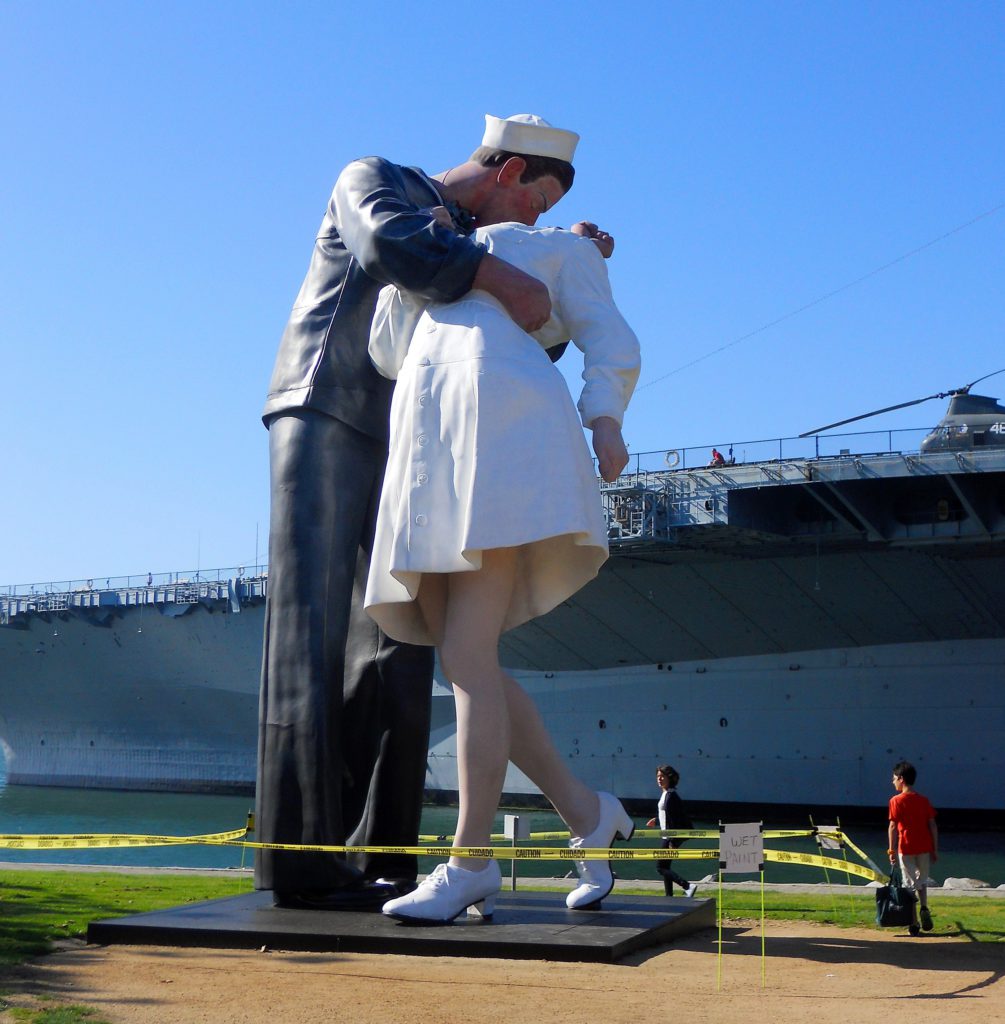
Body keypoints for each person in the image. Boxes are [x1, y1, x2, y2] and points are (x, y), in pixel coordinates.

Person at [256, 113, 611, 911]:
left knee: (400, 650)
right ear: (508, 172)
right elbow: (389, 246)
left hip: (419, 433)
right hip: (323, 403)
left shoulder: (485, 246)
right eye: (533, 204)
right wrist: (502, 271)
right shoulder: (373, 175)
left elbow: (515, 338)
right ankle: (300, 858)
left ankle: (382, 855)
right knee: (308, 626)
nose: (528, 222)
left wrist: (551, 265)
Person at [364, 191, 641, 923]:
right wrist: (430, 257)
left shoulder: (560, 247)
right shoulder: (438, 246)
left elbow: (607, 337)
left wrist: (604, 419)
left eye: (536, 186)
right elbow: (387, 353)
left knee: (466, 654)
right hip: (427, 440)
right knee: (464, 660)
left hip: (504, 428)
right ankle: (588, 814)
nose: (519, 195)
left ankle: (470, 860)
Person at [888, 760, 938, 933]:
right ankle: (924, 907)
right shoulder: (924, 800)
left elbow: (893, 826)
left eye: (894, 778)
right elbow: (932, 825)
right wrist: (934, 848)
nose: (892, 781)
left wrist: (891, 849)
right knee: (922, 881)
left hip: (906, 847)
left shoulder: (896, 801)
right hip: (924, 846)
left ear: (901, 779)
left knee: (909, 885)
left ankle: (914, 922)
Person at [645, 764, 697, 898]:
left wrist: (673, 841)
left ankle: (687, 886)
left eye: (662, 776)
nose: (659, 779)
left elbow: (676, 819)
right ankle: (669, 895)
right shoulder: (666, 794)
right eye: (658, 776)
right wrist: (656, 820)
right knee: (665, 867)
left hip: (669, 836)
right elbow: (667, 815)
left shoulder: (671, 796)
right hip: (666, 835)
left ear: (670, 778)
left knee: (660, 867)